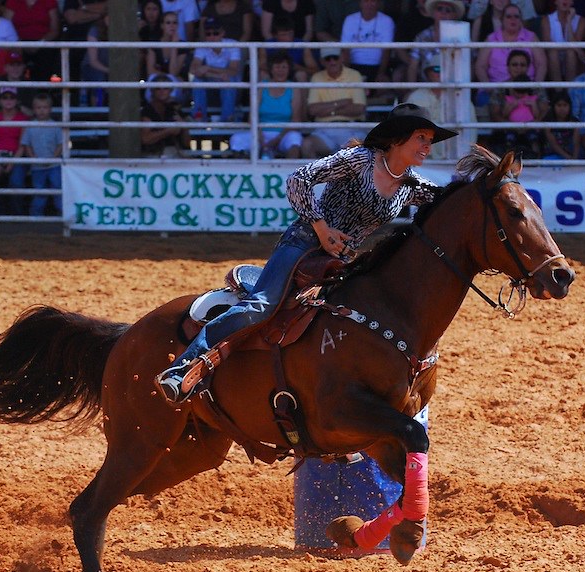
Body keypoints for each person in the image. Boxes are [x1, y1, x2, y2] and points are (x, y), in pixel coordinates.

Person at [154, 103, 458, 404]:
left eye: (430, 141)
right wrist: (322, 229)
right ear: (397, 139)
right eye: (421, 138)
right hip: (304, 243)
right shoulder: (360, 160)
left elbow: (452, 201)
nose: (427, 146)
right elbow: (299, 180)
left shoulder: (412, 185)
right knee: (262, 305)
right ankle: (183, 366)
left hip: (342, 261)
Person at [229, 53, 305, 158]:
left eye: (284, 67)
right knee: (237, 139)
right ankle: (246, 171)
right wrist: (261, 138)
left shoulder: (294, 88)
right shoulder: (261, 86)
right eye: (277, 67)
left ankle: (291, 173)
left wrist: (277, 139)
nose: (281, 70)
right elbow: (252, 118)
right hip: (261, 132)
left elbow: (296, 119)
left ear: (289, 69)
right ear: (271, 69)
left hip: (284, 134)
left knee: (295, 139)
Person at [405, 53, 475, 160]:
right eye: (436, 69)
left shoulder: (460, 98)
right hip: (423, 161)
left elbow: (471, 130)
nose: (440, 73)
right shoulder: (415, 97)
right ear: (427, 72)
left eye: (444, 69)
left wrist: (465, 155)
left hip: (456, 158)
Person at [301, 47, 368, 156]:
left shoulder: (354, 75)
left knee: (364, 149)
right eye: (328, 59)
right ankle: (315, 174)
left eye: (335, 58)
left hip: (351, 128)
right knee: (306, 144)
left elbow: (359, 108)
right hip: (324, 129)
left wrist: (327, 110)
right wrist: (341, 103)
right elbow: (312, 110)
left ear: (341, 58)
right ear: (322, 62)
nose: (332, 62)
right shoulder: (316, 77)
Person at [474, 3, 547, 93]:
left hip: (526, 89)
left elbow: (541, 64)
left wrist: (535, 87)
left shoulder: (531, 37)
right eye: (508, 16)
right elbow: (480, 66)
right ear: (502, 20)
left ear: (521, 20)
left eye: (516, 16)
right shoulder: (491, 38)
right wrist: (489, 88)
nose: (513, 20)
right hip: (495, 90)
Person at [488, 51, 548, 155]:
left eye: (522, 65)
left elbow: (544, 110)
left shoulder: (536, 88)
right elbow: (495, 114)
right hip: (507, 130)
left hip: (533, 129)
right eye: (514, 64)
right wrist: (511, 125)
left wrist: (532, 125)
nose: (518, 68)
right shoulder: (500, 89)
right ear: (508, 67)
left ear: (528, 67)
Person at [0, 85, 28, 214]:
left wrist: (12, 163)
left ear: (17, 101)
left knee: (17, 184)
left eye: (12, 98)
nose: (8, 101)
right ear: (0, 101)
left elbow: (22, 145)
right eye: (5, 98)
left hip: (17, 157)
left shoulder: (23, 119)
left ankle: (17, 215)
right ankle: (0, 213)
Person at [190, 16, 243, 122]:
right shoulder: (202, 46)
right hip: (211, 88)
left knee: (230, 80)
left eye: (215, 33)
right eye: (208, 34)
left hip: (230, 89)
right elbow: (193, 69)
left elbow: (233, 71)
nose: (212, 37)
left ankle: (227, 118)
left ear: (222, 33)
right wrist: (217, 75)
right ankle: (199, 117)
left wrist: (208, 68)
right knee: (197, 80)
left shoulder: (233, 45)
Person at [18, 91, 62, 216]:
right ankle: (36, 217)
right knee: (39, 192)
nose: (42, 111)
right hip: (37, 167)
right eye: (38, 108)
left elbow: (61, 144)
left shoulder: (56, 126)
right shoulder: (30, 126)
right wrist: (32, 158)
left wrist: (54, 158)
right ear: (33, 109)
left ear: (50, 109)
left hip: (54, 165)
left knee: (58, 190)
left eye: (45, 107)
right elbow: (26, 145)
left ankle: (62, 215)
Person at [404, 0, 467, 83]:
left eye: (448, 10)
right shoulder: (422, 37)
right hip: (427, 87)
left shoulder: (462, 37)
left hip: (454, 88)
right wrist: (412, 91)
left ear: (454, 15)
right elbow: (413, 66)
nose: (443, 13)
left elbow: (469, 65)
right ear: (433, 13)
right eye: (439, 9)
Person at [3, 0, 61, 82]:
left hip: (43, 43)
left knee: (47, 57)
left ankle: (44, 91)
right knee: (13, 56)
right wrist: (21, 43)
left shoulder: (49, 1)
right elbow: (5, 27)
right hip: (18, 43)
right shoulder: (13, 2)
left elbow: (55, 30)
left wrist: (39, 43)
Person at [339, 0, 395, 84]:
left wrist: (381, 73)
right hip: (354, 65)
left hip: (377, 66)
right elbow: (345, 49)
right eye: (366, 1)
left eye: (373, 1)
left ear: (378, 3)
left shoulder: (387, 21)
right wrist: (348, 73)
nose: (369, 4)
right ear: (360, 3)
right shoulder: (350, 19)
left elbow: (386, 51)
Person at [140, 73, 191, 156]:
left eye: (165, 88)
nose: (162, 92)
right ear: (152, 91)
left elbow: (187, 143)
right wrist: (168, 131)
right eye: (158, 89)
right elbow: (145, 139)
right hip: (153, 154)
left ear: (170, 90)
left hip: (175, 153)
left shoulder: (175, 110)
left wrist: (184, 127)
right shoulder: (147, 111)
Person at [258, 15, 318, 81]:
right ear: (275, 35)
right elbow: (261, 66)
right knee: (263, 73)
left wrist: (297, 67)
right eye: (283, 35)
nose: (288, 38)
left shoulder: (301, 45)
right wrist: (279, 68)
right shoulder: (265, 45)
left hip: (294, 74)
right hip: (273, 75)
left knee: (301, 74)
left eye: (290, 33)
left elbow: (314, 70)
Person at [540, 0, 585, 82]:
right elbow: (547, 46)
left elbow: (576, 46)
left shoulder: (581, 20)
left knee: (571, 53)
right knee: (553, 53)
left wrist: (569, 21)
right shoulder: (546, 20)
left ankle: (570, 91)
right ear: (555, 1)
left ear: (572, 2)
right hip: (553, 62)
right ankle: (558, 92)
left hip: (575, 62)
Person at [542, 89, 580, 159]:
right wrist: (568, 158)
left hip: (571, 154)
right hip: (552, 156)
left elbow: (576, 144)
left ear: (570, 106)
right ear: (553, 107)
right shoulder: (548, 122)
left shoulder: (575, 122)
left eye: (565, 105)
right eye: (559, 105)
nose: (562, 109)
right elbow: (554, 145)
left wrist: (574, 159)